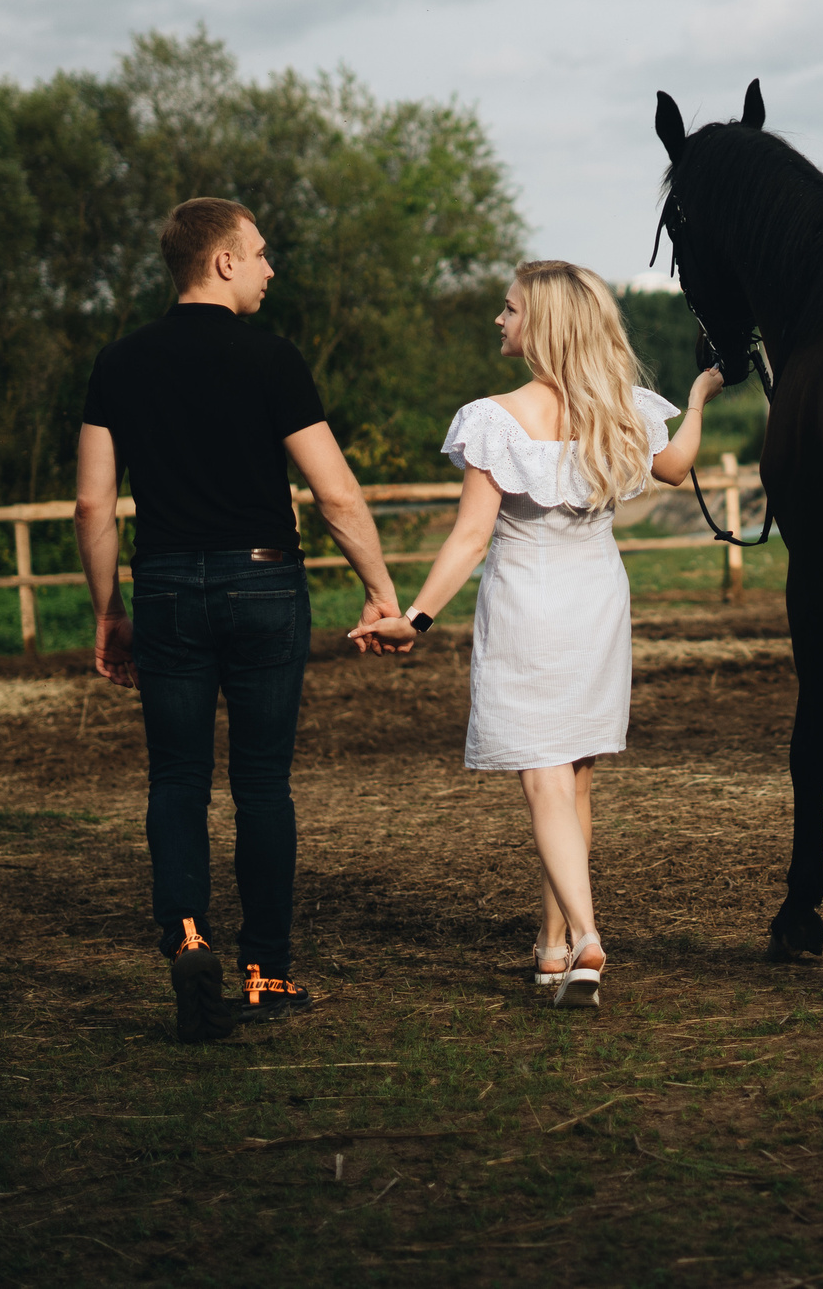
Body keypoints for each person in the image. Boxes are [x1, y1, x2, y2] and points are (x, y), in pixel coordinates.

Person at [348, 260, 725, 1009]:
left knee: (545, 775)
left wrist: (416, 618)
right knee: (573, 774)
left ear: (544, 324)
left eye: (511, 308)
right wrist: (697, 397)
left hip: (530, 599)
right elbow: (678, 465)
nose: (499, 318)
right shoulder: (621, 407)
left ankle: (584, 934)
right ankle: (554, 949)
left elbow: (470, 537)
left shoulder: (496, 418)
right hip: (598, 597)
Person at [75, 197, 407, 1044]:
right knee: (261, 784)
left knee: (176, 777)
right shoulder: (272, 358)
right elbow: (335, 493)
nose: (269, 268)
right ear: (222, 261)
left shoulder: (118, 361)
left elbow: (93, 504)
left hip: (166, 589)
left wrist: (109, 609)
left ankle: (188, 936)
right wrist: (380, 590)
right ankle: (266, 972)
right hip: (263, 585)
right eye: (259, 253)